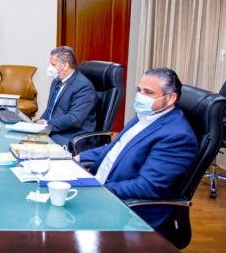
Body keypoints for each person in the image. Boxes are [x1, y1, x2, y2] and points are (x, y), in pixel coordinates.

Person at [76, 67, 198, 231]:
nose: (140, 96)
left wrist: (96, 188)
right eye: (139, 90)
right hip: (103, 190)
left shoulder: (177, 136)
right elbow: (117, 147)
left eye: (148, 92)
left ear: (170, 98)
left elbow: (146, 187)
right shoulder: (146, 115)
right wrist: (79, 158)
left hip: (128, 210)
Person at [37, 46, 96, 146]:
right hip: (55, 129)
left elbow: (74, 119)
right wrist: (38, 123)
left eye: (53, 64)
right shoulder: (56, 81)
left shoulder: (83, 86)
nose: (50, 68)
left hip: (71, 135)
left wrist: (47, 124)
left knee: (35, 146)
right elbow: (50, 109)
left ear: (65, 65)